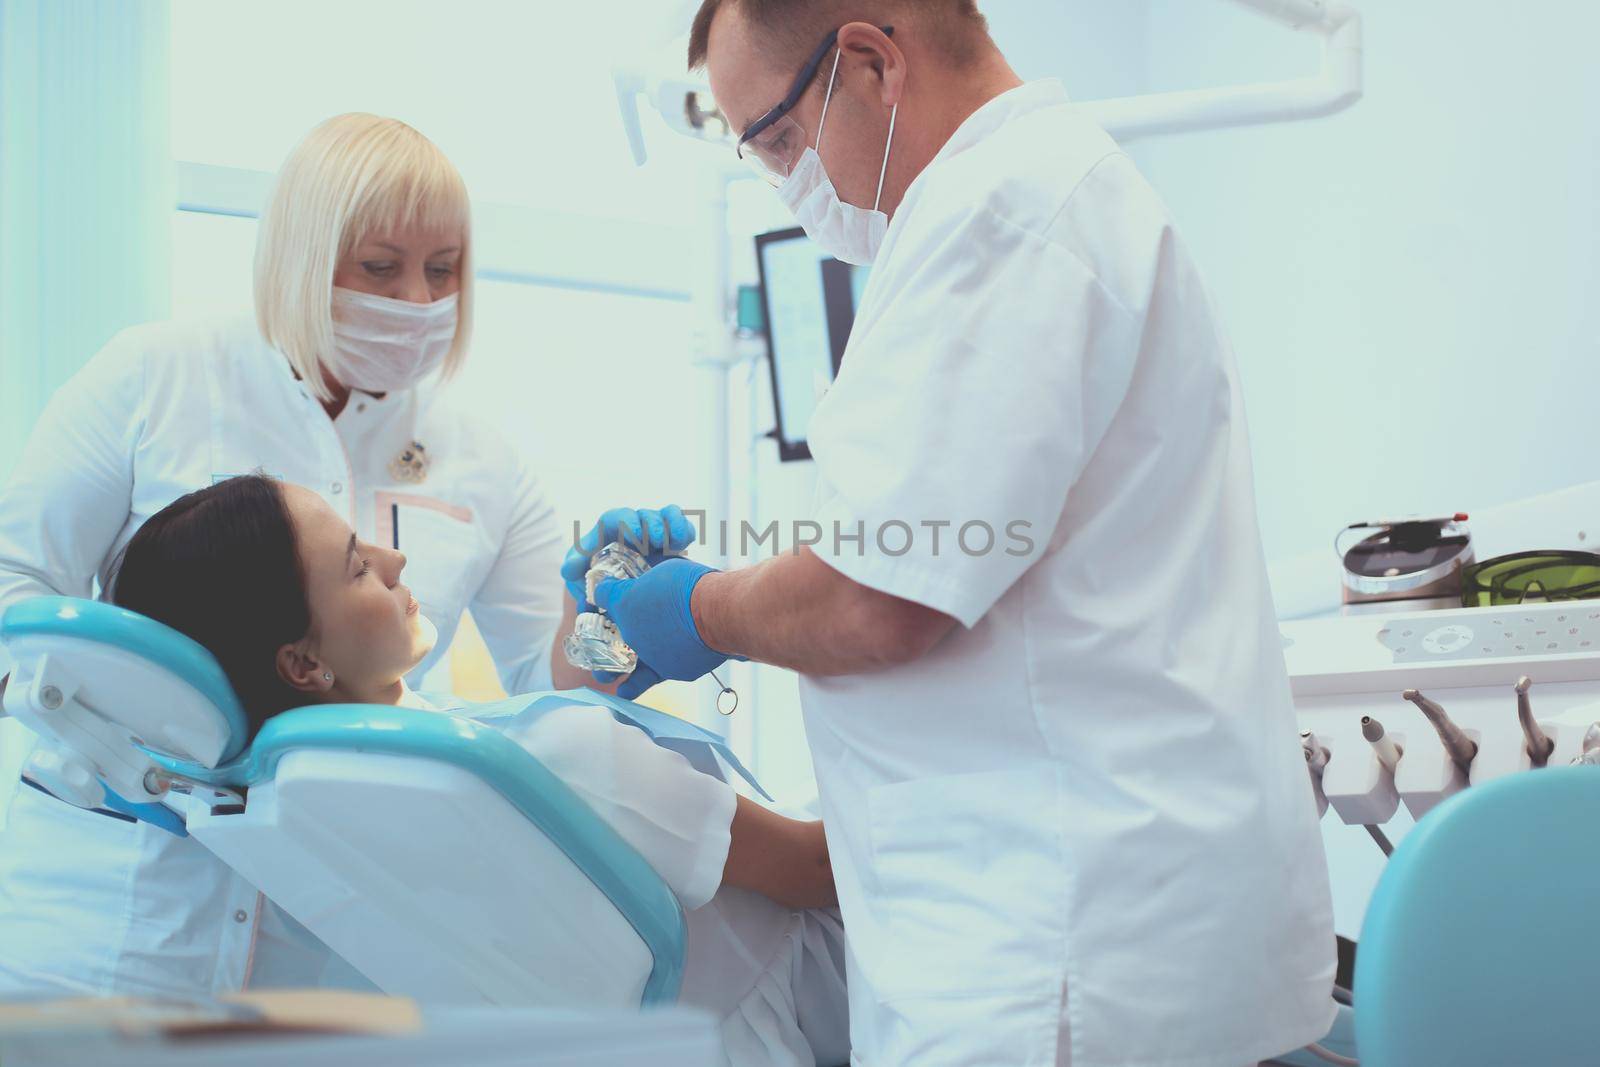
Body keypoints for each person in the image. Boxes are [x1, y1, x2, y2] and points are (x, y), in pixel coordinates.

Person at [565, 3, 1338, 1065]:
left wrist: (698, 608)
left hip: (1063, 940)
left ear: (871, 63)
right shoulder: (1027, 205)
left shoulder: (1001, 215)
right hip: (1061, 912)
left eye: (779, 140)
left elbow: (878, 600)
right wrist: (657, 617)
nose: (785, 181)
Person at [0, 113, 683, 999]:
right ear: (301, 253)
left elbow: (547, 681)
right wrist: (163, 734)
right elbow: (18, 590)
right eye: (379, 266)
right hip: (118, 893)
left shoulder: (483, 461)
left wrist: (614, 609)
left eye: (442, 271)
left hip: (333, 924)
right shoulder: (156, 375)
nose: (415, 301)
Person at [1, 474, 851, 1067]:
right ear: (302, 663)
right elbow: (824, 869)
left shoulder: (357, 805)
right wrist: (724, 618)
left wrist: (595, 635)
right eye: (358, 567)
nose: (397, 560)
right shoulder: (556, 757)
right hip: (849, 973)